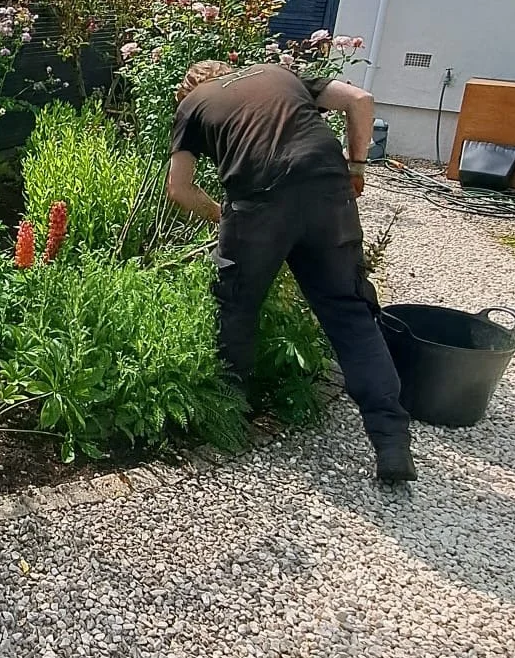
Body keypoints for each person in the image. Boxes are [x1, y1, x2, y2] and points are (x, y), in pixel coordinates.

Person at [165, 59, 415, 483]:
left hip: (257, 204)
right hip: (327, 190)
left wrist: (219, 215)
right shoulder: (281, 75)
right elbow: (360, 99)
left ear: (189, 86)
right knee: (349, 311)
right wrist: (356, 167)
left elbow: (179, 187)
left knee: (238, 307)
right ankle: (391, 441)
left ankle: (231, 414)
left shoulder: (193, 103)